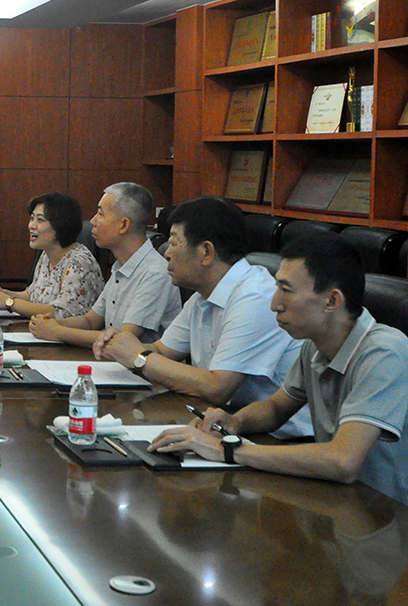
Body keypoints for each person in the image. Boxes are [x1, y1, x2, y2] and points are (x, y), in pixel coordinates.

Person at [149, 234, 408, 504]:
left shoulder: (384, 352)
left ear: (332, 301)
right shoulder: (315, 345)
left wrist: (227, 449)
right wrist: (234, 422)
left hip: (388, 511)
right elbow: (275, 409)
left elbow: (343, 461)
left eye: (286, 290)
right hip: (340, 497)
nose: (274, 304)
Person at [96, 197, 311, 438]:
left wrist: (139, 357)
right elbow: (162, 351)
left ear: (206, 252)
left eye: (174, 243)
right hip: (224, 424)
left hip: (279, 439)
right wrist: (120, 346)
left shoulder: (255, 296)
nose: (166, 253)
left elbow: (218, 388)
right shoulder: (203, 295)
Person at [29, 182, 180, 348]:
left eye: (100, 214)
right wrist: (52, 324)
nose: (93, 221)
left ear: (124, 225)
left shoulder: (154, 273)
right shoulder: (121, 266)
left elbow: (123, 340)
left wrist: (58, 332)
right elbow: (90, 320)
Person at [0, 192, 103, 319]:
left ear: (60, 225)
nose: (31, 226)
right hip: (41, 329)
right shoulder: (47, 254)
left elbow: (63, 313)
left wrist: (10, 303)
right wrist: (2, 293)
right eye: (32, 218)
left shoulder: (79, 263)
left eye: (40, 220)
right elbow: (31, 296)